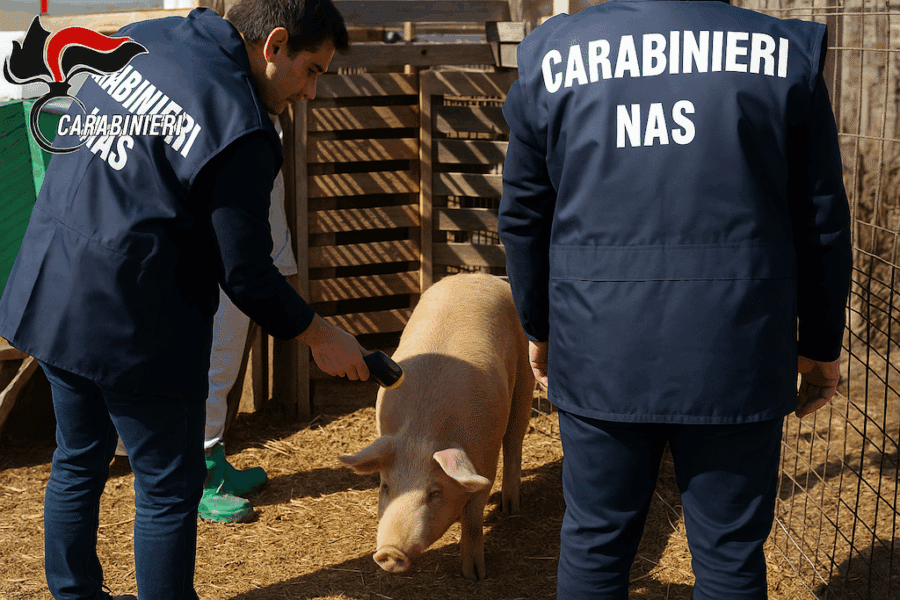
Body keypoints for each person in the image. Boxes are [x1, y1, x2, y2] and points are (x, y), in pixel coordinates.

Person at [0, 0, 368, 598]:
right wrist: (321, 337)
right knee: (168, 486)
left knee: (78, 457)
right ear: (274, 45)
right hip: (134, 319)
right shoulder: (239, 124)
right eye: (312, 71)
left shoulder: (150, 37)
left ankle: (73, 594)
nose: (311, 93)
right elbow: (248, 274)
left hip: (53, 282)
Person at [497, 1, 853, 599]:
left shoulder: (553, 53)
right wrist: (820, 343)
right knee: (730, 554)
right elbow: (822, 221)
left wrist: (541, 326)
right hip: (737, 345)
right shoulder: (782, 53)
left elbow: (523, 215)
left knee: (595, 542)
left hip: (600, 342)